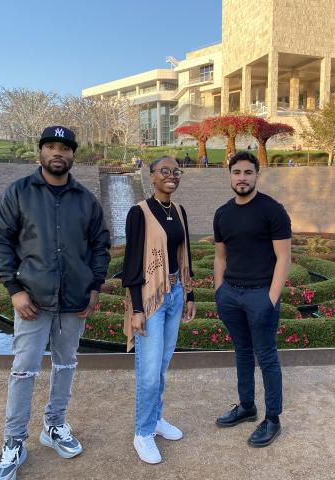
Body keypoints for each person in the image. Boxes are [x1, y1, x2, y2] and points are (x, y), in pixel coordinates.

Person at [0, 125, 111, 480]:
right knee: (23, 369)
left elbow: (100, 245)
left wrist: (95, 286)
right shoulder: (19, 193)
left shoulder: (86, 200)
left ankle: (54, 425)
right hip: (32, 301)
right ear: (40, 152)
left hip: (73, 301)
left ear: (74, 155)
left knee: (66, 365)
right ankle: (14, 441)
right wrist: (14, 289)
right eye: (51, 146)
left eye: (65, 148)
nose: (58, 153)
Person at [212, 151, 291, 448]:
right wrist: (220, 291)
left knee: (267, 356)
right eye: (237, 172)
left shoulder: (272, 210)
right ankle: (247, 406)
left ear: (257, 175)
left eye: (247, 172)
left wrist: (271, 299)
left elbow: (284, 257)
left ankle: (273, 419)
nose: (242, 178)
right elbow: (221, 256)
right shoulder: (222, 213)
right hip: (231, 294)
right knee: (242, 351)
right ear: (230, 175)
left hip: (261, 295)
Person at [122, 156, 196, 464]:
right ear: (151, 176)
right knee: (149, 372)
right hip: (151, 298)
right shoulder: (138, 212)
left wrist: (189, 295)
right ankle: (142, 433)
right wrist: (138, 308)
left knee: (161, 366)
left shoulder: (179, 211)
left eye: (176, 171)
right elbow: (131, 263)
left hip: (176, 293)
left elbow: (184, 253)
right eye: (165, 171)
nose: (172, 176)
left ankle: (155, 420)